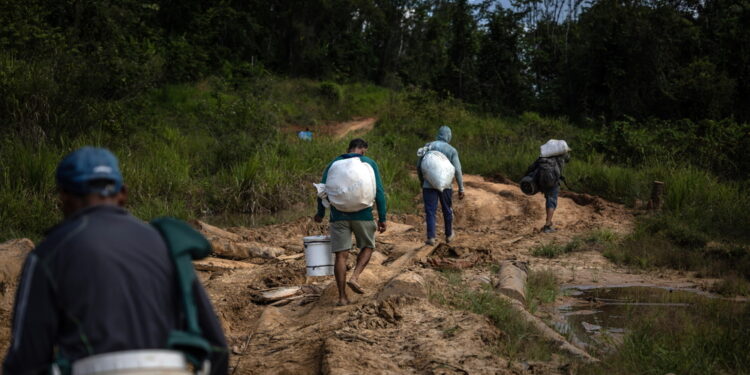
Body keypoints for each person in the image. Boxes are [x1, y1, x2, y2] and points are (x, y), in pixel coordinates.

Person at [3, 147, 228, 375]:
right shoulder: (165, 243)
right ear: (122, 193)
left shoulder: (48, 253)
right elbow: (217, 346)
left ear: (63, 195)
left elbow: (26, 361)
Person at [314, 139, 387, 306]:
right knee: (368, 246)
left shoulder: (334, 164)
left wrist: (320, 213)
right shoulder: (368, 163)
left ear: (349, 149)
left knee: (341, 255)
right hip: (363, 215)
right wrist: (382, 218)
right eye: (364, 151)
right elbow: (379, 192)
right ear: (362, 150)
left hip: (338, 216)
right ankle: (355, 277)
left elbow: (322, 190)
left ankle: (342, 297)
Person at [417, 126, 465, 245]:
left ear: (438, 134)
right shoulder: (451, 150)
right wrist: (461, 188)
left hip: (428, 185)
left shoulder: (428, 146)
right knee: (447, 209)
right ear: (449, 136)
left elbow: (419, 166)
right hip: (446, 186)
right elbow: (457, 170)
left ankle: (431, 237)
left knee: (430, 211)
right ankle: (449, 235)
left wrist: (421, 181)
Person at [525, 152, 570, 233]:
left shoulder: (542, 158)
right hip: (553, 183)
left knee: (548, 200)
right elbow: (567, 159)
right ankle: (547, 225)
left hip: (542, 183)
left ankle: (548, 222)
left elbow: (531, 168)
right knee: (551, 201)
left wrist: (526, 177)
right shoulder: (560, 157)